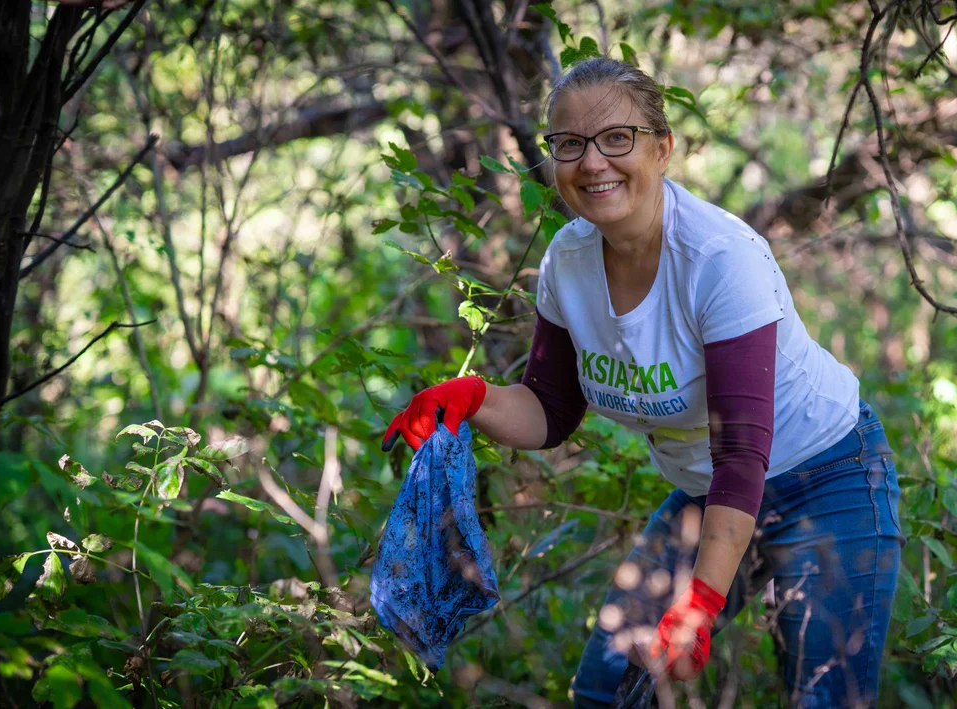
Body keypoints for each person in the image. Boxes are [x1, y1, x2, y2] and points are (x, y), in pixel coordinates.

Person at [380, 57, 905, 708]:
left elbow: (741, 452)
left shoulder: (717, 259)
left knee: (825, 695)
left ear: (662, 149)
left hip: (829, 477)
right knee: (608, 686)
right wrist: (472, 398)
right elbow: (550, 409)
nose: (592, 162)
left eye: (616, 138)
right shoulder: (567, 264)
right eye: (569, 144)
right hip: (706, 492)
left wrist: (701, 602)